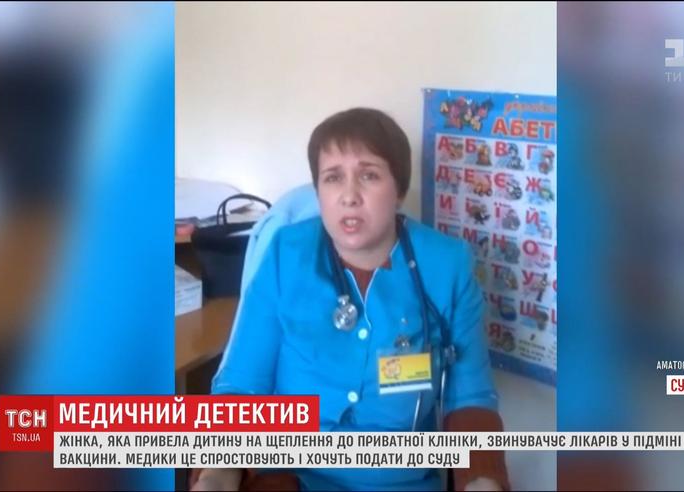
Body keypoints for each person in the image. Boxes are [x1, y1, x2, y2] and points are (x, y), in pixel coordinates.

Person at [192, 108, 510, 491]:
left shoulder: (446, 266)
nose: (349, 196)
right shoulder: (286, 255)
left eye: (369, 175)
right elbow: (243, 387)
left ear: (399, 190)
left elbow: (470, 399)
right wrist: (214, 478)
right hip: (290, 479)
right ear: (318, 192)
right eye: (333, 178)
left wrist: (483, 481)